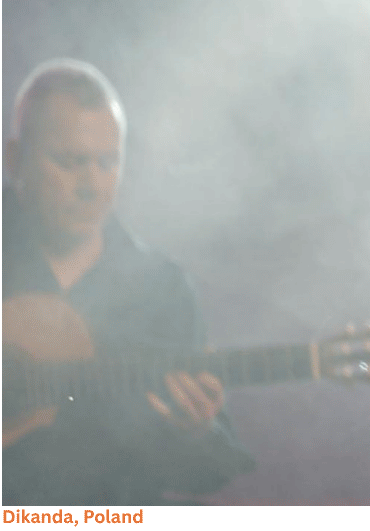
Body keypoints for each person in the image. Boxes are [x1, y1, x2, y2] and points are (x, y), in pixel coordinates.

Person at [2, 58, 255, 505]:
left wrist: (196, 431)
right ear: (15, 159)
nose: (93, 185)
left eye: (108, 162)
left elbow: (207, 472)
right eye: (70, 162)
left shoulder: (162, 292)